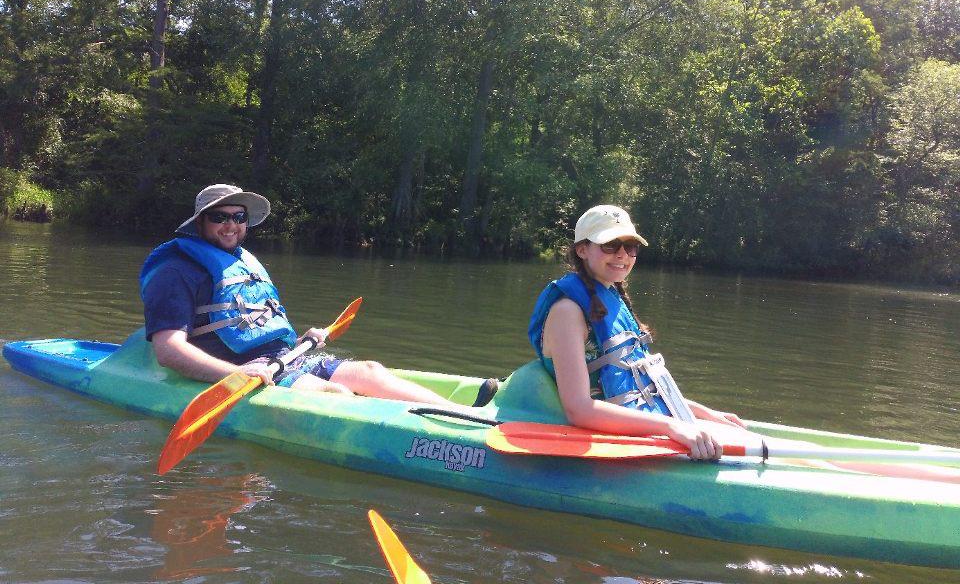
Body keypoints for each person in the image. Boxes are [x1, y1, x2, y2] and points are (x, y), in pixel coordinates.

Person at [141, 183, 497, 406]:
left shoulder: (239, 261)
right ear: (200, 222)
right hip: (244, 371)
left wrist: (301, 340)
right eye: (220, 217)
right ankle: (427, 440)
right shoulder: (175, 271)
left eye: (239, 216)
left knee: (370, 371)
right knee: (337, 396)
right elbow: (168, 350)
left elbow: (248, 329)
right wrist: (236, 376)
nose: (231, 224)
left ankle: (463, 418)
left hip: (285, 357)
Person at [527, 204, 744, 460]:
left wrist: (703, 413)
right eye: (609, 245)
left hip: (641, 424)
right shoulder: (567, 312)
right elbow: (579, 409)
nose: (622, 255)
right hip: (602, 432)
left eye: (630, 247)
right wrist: (673, 427)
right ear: (582, 250)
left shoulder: (610, 297)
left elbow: (640, 387)